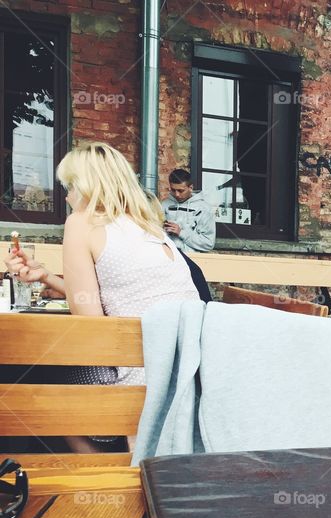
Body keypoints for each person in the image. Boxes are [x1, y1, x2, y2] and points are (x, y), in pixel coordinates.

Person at [4, 142, 200, 452]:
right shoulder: (147, 224)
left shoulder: (80, 222)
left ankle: (106, 481)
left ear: (86, 186)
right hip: (188, 372)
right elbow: (118, 294)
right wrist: (45, 276)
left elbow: (90, 325)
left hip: (140, 376)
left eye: (69, 187)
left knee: (41, 378)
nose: (67, 197)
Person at [160, 168, 216, 252]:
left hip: (191, 259)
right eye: (173, 190)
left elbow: (208, 243)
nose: (177, 194)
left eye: (180, 191)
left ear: (190, 187)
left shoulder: (204, 209)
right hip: (166, 258)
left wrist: (181, 232)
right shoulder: (163, 205)